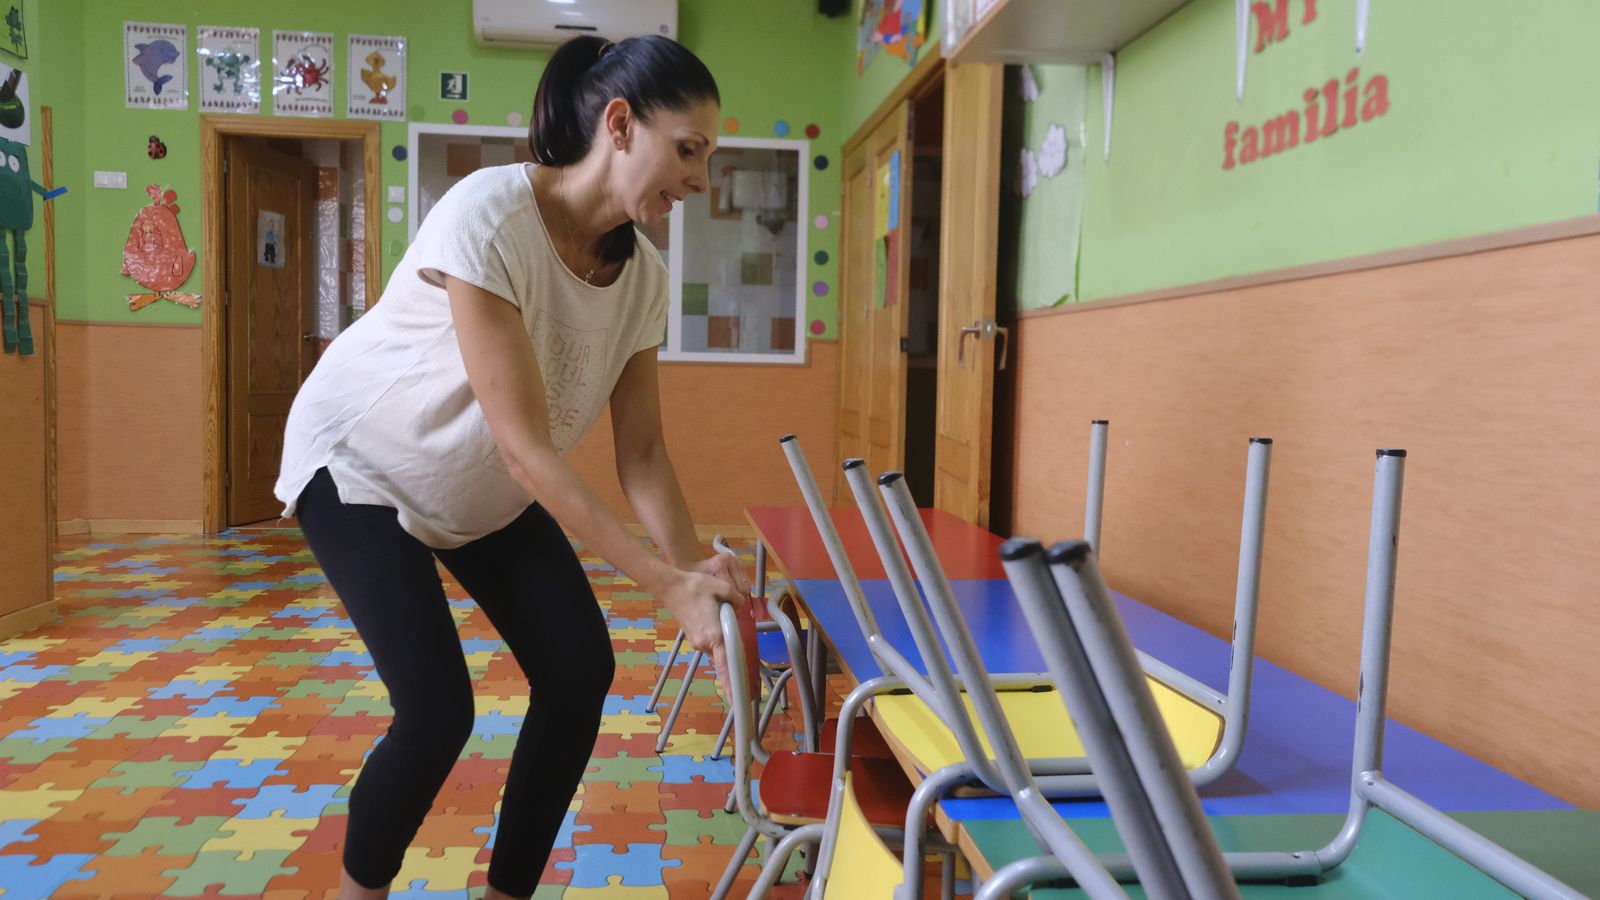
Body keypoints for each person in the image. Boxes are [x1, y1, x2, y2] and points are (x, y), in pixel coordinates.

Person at [273, 34, 746, 900]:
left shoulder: (643, 280)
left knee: (578, 671)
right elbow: (528, 450)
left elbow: (642, 450)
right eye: (688, 150)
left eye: (708, 158)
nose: (699, 180)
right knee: (436, 712)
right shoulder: (488, 215)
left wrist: (693, 576)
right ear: (618, 125)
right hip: (359, 465)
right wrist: (661, 586)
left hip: (477, 482)